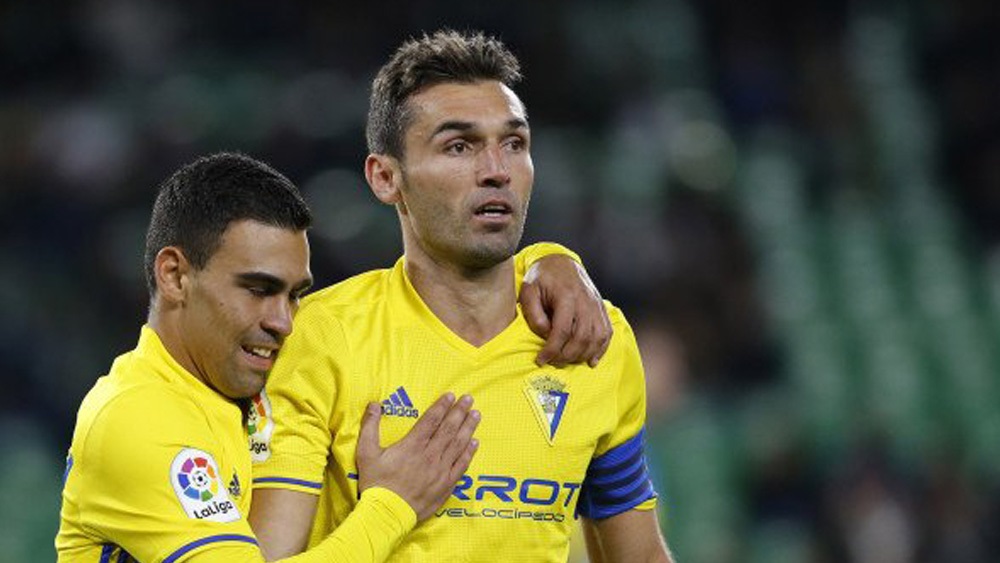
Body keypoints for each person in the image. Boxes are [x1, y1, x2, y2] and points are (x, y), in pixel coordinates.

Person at [249, 30, 674, 562]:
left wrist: (553, 256)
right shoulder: (322, 337)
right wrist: (389, 508)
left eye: (514, 144)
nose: (496, 170)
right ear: (385, 178)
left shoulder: (590, 337)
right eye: (459, 146)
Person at [55, 152, 602, 562]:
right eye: (257, 288)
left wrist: (547, 259)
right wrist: (393, 504)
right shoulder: (139, 420)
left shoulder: (231, 392)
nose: (283, 321)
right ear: (175, 275)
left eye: (294, 293)